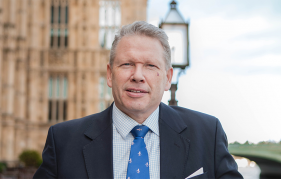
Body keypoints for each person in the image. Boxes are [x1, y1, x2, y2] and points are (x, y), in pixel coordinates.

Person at [33, 21, 243, 179]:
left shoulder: (207, 133)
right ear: (109, 74)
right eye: (127, 64)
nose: (138, 75)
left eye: (150, 66)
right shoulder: (63, 142)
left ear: (168, 77)